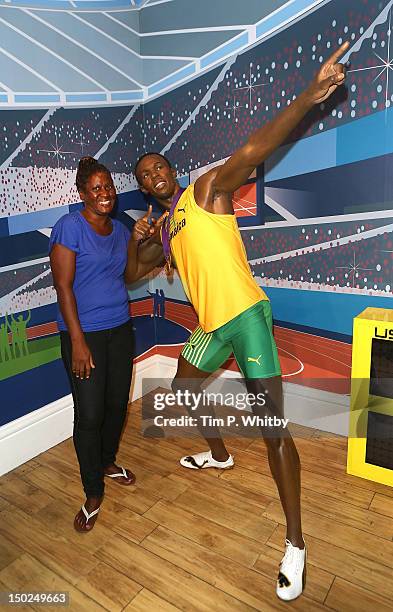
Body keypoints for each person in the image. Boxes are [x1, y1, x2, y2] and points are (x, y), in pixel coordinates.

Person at [129, 43, 349, 601]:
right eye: (145, 173)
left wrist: (308, 97)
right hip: (211, 327)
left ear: (172, 172)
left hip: (247, 316)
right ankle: (220, 453)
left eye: (159, 166)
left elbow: (252, 150)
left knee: (273, 428)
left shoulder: (205, 191)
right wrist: (140, 244)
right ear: (143, 188)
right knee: (183, 391)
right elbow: (135, 275)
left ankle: (296, 543)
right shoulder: (169, 227)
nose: (154, 174)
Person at [50, 157, 143, 533]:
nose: (104, 194)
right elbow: (63, 287)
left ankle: (107, 461)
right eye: (96, 188)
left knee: (116, 404)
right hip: (82, 334)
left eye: (108, 187)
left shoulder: (121, 230)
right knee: (89, 414)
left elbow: (132, 274)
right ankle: (92, 491)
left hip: (119, 329)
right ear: (82, 193)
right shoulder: (69, 227)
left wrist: (140, 241)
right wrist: (77, 342)